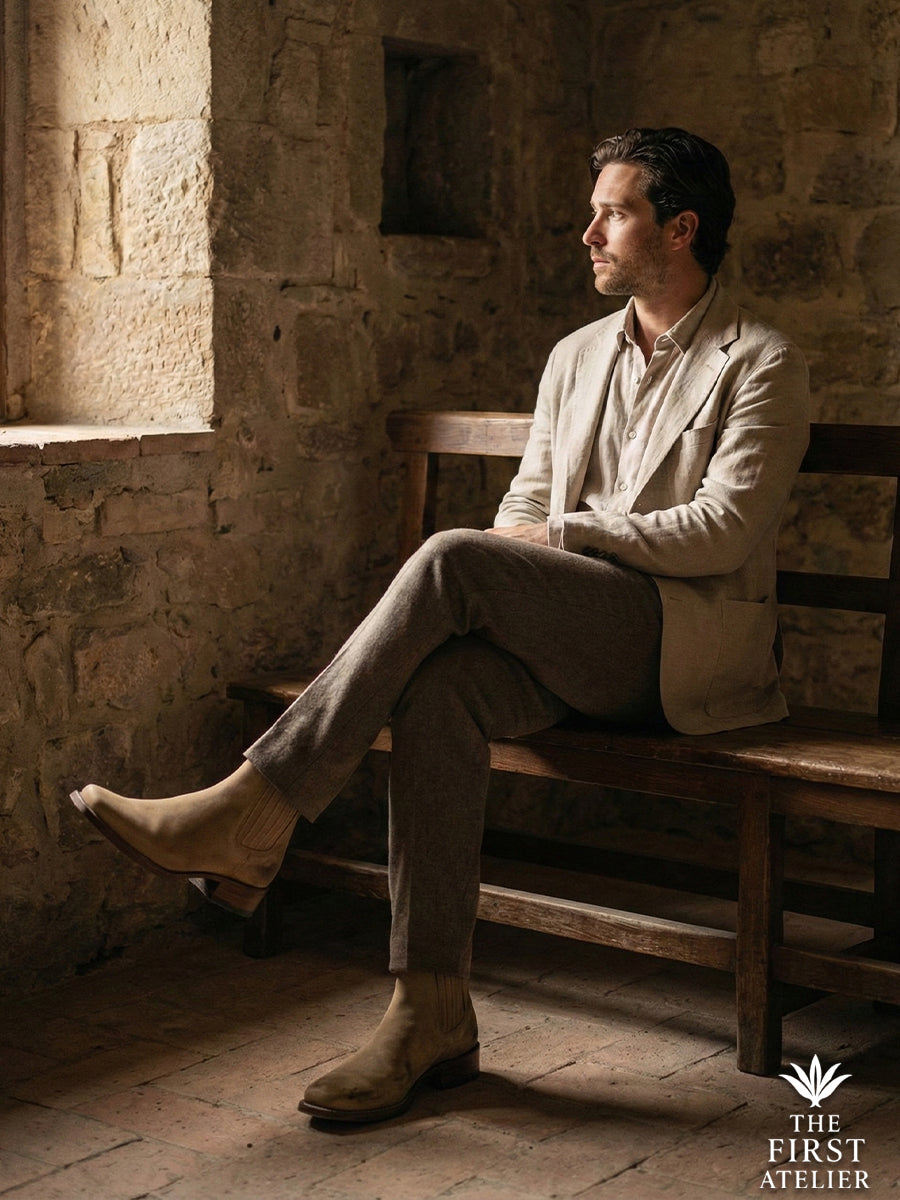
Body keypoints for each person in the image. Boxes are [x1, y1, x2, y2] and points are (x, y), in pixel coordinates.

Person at [70, 127, 810, 1124]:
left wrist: (564, 539)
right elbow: (523, 506)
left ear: (680, 229)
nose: (587, 229)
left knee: (456, 558)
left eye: (615, 211)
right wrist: (540, 554)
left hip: (680, 652)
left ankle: (254, 809)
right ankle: (430, 1014)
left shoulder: (760, 360)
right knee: (438, 690)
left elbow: (723, 531)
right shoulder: (575, 356)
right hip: (577, 638)